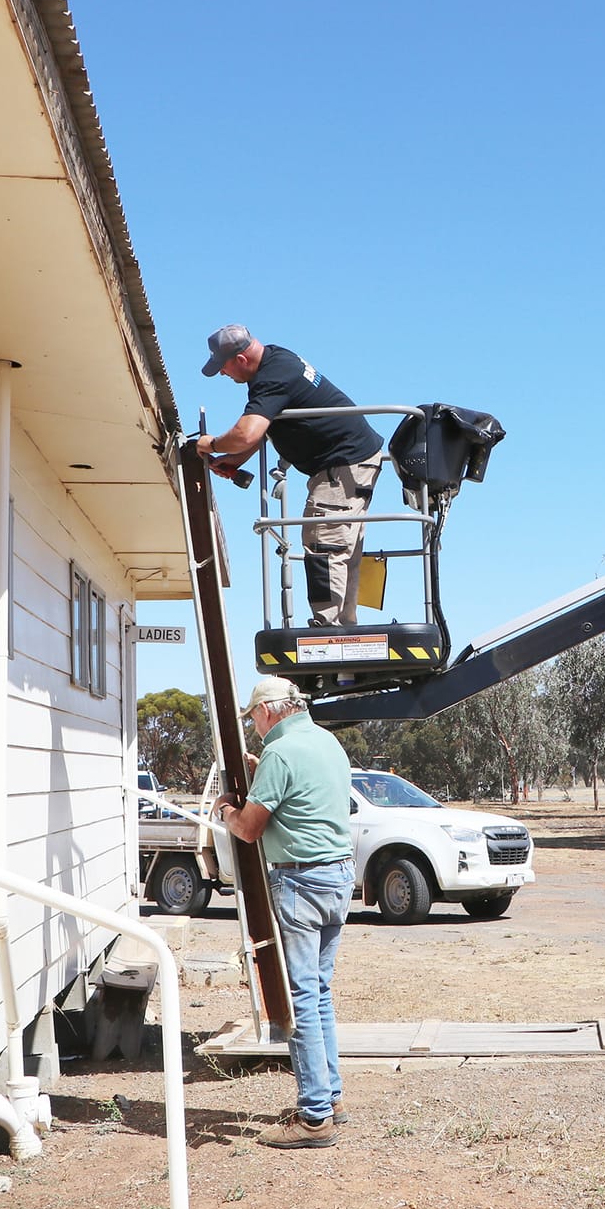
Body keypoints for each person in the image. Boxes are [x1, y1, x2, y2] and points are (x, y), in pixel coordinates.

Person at [212, 676, 355, 1148]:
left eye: (253, 716)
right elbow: (304, 797)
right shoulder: (326, 742)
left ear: (270, 710)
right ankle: (328, 1098)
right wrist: (264, 773)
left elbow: (251, 829)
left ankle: (314, 1117)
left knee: (300, 1001)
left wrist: (226, 812)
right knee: (320, 991)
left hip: (301, 881)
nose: (253, 726)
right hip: (338, 876)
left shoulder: (279, 754)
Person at [196, 325, 385, 626]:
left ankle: (329, 629)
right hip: (351, 461)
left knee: (324, 539)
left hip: (341, 464)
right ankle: (344, 626)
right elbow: (263, 429)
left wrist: (212, 444)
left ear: (241, 359)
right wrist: (233, 459)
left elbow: (247, 432)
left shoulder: (272, 376)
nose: (222, 374)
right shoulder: (275, 358)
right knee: (341, 545)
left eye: (223, 367)